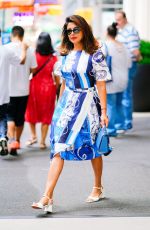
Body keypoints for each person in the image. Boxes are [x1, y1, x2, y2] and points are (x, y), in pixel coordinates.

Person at [31, 15, 111, 213]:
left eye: (76, 29)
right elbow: (64, 83)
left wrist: (103, 112)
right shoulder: (64, 53)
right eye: (69, 31)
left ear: (84, 29)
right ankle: (47, 196)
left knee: (93, 147)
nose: (72, 34)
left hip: (88, 106)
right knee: (58, 148)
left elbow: (100, 84)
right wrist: (59, 108)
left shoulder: (95, 54)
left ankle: (97, 187)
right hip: (67, 107)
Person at [6, 26, 37, 155]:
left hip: (8, 90)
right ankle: (17, 141)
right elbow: (34, 69)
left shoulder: (6, 48)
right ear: (22, 35)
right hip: (24, 90)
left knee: (9, 117)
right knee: (20, 118)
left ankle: (11, 140)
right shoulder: (29, 50)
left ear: (12, 35)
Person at [25, 32, 59, 149]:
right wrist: (58, 88)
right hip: (49, 88)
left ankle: (33, 135)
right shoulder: (53, 58)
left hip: (34, 86)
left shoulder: (33, 55)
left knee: (32, 111)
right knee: (46, 114)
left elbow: (31, 71)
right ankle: (42, 141)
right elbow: (57, 76)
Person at [0, 28, 28, 156]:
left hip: (8, 93)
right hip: (4, 93)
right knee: (2, 117)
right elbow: (21, 61)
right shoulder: (6, 51)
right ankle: (2, 137)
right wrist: (24, 50)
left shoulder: (7, 48)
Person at [102, 22, 130, 137]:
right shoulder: (123, 46)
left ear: (107, 33)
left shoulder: (105, 45)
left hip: (111, 80)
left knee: (111, 104)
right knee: (119, 103)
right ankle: (121, 126)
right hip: (123, 79)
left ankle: (111, 129)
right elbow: (129, 63)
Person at [115, 10, 141, 131]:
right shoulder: (122, 31)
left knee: (125, 94)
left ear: (125, 19)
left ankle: (127, 122)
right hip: (124, 66)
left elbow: (135, 52)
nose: (117, 23)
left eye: (119, 20)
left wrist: (136, 58)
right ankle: (125, 121)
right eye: (116, 20)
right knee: (124, 93)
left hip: (129, 66)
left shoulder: (130, 31)